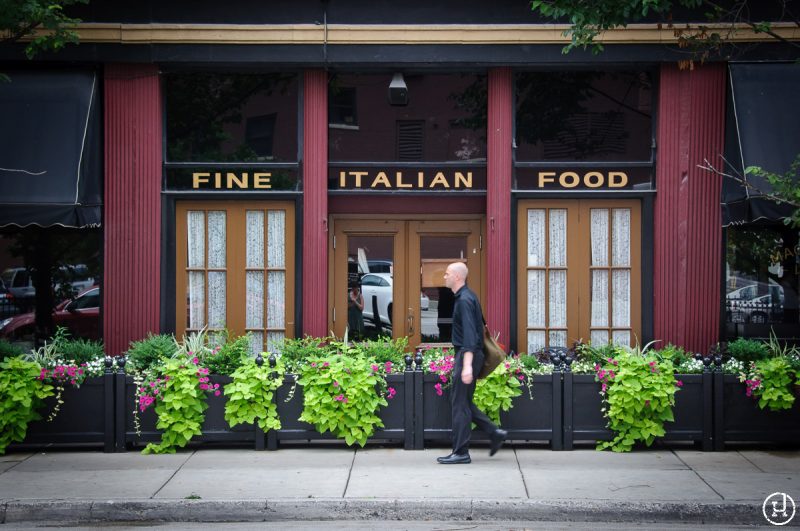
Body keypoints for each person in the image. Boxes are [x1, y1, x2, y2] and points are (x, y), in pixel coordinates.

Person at [437, 262, 507, 464]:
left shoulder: (464, 301)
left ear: (457, 277)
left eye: (447, 274)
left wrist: (467, 365)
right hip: (471, 355)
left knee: (459, 404)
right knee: (462, 402)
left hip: (468, 355)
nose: (444, 277)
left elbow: (470, 335)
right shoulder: (468, 297)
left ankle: (461, 452)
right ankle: (494, 432)